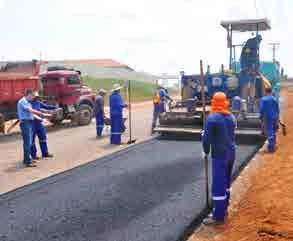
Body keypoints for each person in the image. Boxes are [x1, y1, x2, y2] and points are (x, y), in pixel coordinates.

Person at [202, 92, 235, 225]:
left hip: (219, 155)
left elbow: (206, 140)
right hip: (231, 153)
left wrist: (205, 151)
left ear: (213, 102)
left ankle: (218, 216)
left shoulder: (212, 118)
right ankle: (224, 207)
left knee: (218, 186)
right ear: (225, 102)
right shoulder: (231, 116)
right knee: (226, 183)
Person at [17, 89, 50, 167]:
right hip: (26, 123)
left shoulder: (27, 102)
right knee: (28, 143)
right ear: (29, 94)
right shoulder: (23, 101)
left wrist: (41, 118)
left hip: (29, 123)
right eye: (33, 96)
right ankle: (27, 161)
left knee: (29, 142)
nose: (33, 98)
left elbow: (32, 114)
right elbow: (31, 110)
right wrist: (43, 114)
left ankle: (28, 159)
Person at [30, 92, 56, 159]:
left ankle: (45, 153)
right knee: (32, 140)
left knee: (43, 138)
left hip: (39, 123)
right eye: (35, 97)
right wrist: (43, 115)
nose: (36, 98)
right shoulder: (28, 104)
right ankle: (34, 155)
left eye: (37, 97)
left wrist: (55, 107)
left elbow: (46, 106)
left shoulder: (38, 103)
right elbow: (32, 114)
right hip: (32, 124)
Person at [259, 87, 280, 153]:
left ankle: (271, 148)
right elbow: (277, 110)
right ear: (271, 92)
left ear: (265, 92)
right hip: (275, 117)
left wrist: (261, 117)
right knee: (273, 131)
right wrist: (277, 118)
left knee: (269, 132)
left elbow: (262, 110)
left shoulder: (263, 99)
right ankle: (273, 144)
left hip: (267, 118)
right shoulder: (274, 99)